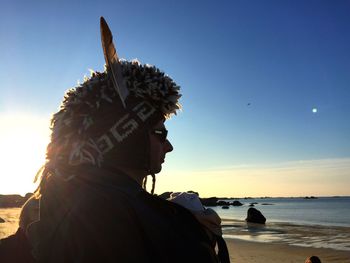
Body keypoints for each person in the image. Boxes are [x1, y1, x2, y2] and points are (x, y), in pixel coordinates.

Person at [25, 17, 230, 263]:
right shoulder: (108, 219)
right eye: (160, 134)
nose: (169, 146)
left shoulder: (65, 204)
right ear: (125, 136)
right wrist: (195, 236)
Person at [0, 196, 39, 262]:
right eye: (37, 210)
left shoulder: (56, 247)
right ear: (26, 213)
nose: (43, 214)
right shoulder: (5, 247)